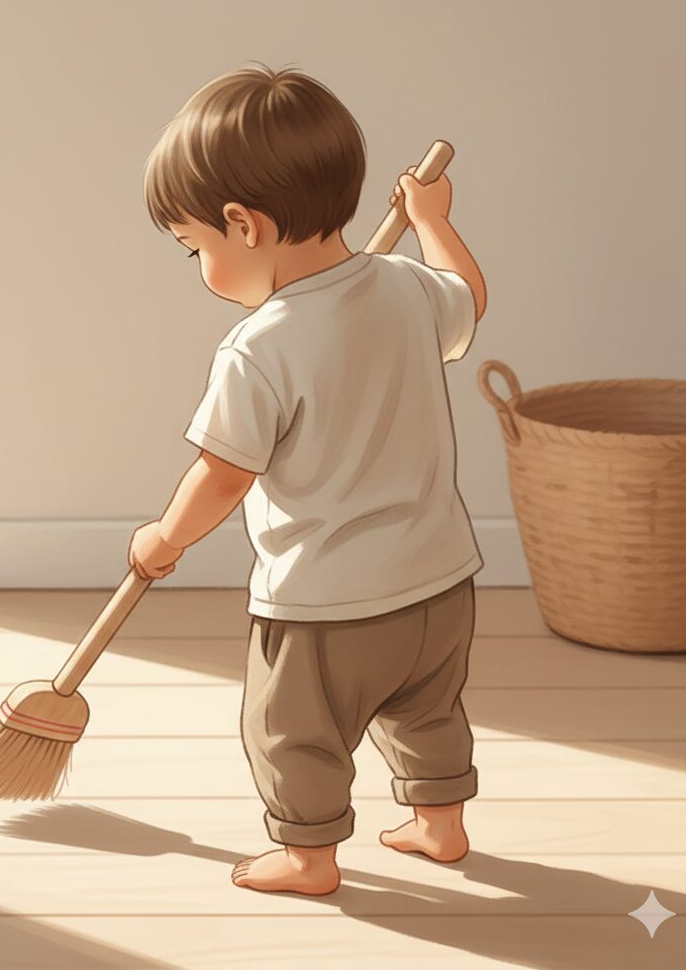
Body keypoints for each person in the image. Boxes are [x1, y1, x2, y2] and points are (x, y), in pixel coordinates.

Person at [128, 63, 488, 897]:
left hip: (326, 603)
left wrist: (163, 538)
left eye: (196, 250)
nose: (200, 267)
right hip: (438, 581)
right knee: (425, 709)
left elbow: (222, 474)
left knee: (291, 730)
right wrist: (434, 222)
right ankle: (440, 824)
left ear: (242, 226)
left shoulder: (261, 347)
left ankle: (309, 856)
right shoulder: (402, 288)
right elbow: (467, 299)